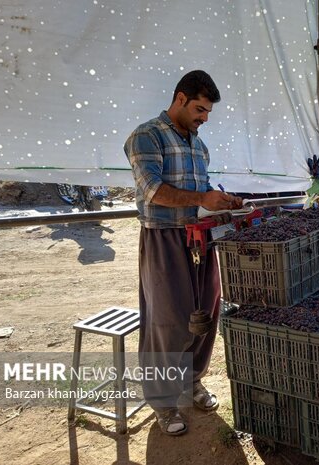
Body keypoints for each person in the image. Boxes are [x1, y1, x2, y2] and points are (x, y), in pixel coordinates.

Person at [124, 70, 242, 436]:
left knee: (207, 313)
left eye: (207, 112)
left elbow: (203, 190)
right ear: (180, 98)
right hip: (164, 239)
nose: (204, 118)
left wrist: (223, 203)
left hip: (200, 238)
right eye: (200, 109)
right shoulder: (146, 136)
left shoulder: (198, 144)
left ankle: (191, 382)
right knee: (169, 321)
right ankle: (163, 401)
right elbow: (153, 191)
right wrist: (200, 199)